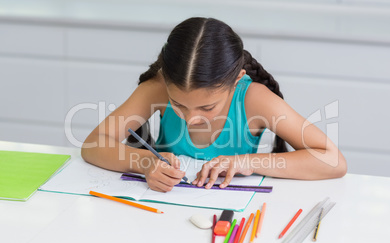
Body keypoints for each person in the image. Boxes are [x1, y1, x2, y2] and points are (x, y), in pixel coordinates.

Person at [81, 17, 347, 192]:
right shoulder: (157, 89)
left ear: (236, 81)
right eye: (178, 105)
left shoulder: (254, 99)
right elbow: (93, 145)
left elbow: (333, 161)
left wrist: (249, 161)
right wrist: (145, 162)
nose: (191, 119)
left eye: (207, 108)